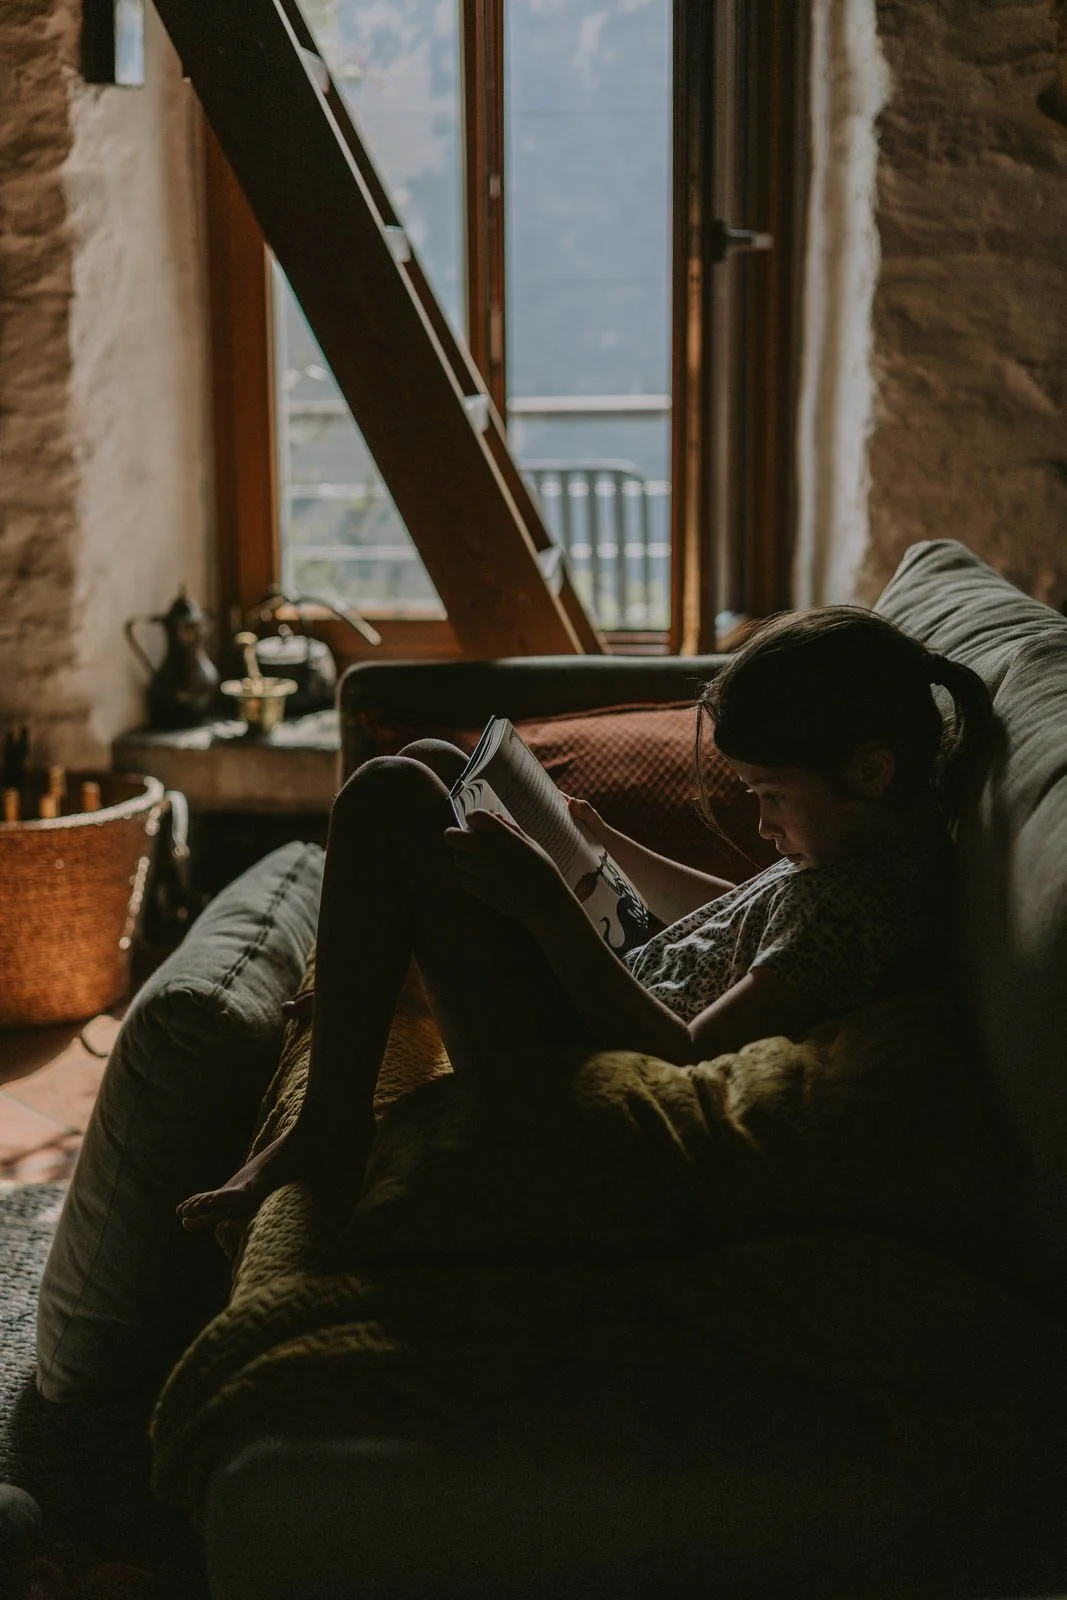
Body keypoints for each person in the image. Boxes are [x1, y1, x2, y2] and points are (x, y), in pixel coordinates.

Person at [177, 607, 994, 1233]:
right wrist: (607, 848)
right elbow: (732, 913)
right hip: (615, 980)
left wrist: (544, 904)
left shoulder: (861, 912)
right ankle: (379, 980)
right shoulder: (861, 859)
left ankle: (330, 1124)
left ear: (870, 770)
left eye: (770, 796)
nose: (761, 825)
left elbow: (685, 1057)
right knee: (432, 765)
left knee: (390, 792)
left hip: (571, 1059)